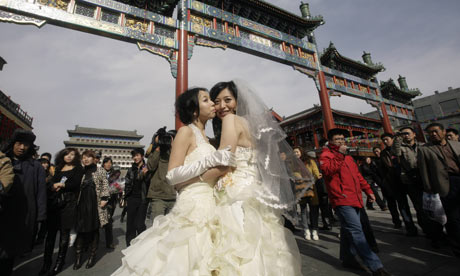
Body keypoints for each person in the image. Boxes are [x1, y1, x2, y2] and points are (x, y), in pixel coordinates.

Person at [112, 87, 236, 275]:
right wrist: (209, 162)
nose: (213, 103)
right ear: (194, 109)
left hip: (211, 201)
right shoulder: (186, 132)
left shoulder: (207, 139)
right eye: (206, 100)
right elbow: (172, 175)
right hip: (193, 204)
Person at [209, 80, 308, 275]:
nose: (222, 107)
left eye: (227, 100)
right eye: (217, 101)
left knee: (235, 247)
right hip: (256, 191)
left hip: (234, 192)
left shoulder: (230, 120)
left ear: (238, 101)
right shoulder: (252, 126)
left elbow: (224, 158)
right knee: (262, 246)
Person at [320, 128, 389, 276]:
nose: (340, 142)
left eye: (342, 139)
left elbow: (358, 176)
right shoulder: (326, 155)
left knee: (347, 230)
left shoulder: (349, 158)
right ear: (331, 141)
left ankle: (348, 258)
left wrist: (368, 191)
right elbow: (327, 171)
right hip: (341, 199)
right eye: (337, 139)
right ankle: (376, 266)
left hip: (356, 198)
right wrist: (339, 155)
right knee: (357, 231)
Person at [0, 130, 47, 276]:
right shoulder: (3, 161)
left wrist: (40, 216)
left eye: (26, 145)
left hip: (22, 214)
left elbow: (41, 192)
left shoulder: (35, 166)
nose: (22, 148)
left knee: (10, 253)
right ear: (12, 143)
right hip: (2, 211)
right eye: (19, 144)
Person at [392, 127, 444, 245]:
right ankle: (431, 234)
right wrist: (397, 138)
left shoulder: (423, 145)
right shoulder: (401, 147)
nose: (406, 135)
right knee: (421, 208)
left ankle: (439, 232)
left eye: (408, 133)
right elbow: (395, 152)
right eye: (404, 134)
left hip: (426, 179)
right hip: (412, 180)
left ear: (414, 134)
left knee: (435, 207)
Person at [418, 123, 460, 257]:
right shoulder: (425, 149)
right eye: (430, 133)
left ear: (443, 131)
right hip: (445, 184)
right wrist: (429, 189)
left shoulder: (456, 144)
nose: (433, 134)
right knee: (453, 218)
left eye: (435, 131)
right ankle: (457, 246)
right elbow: (424, 171)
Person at [39, 148, 84, 276]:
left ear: (75, 157)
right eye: (66, 154)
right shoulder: (58, 168)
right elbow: (51, 183)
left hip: (68, 204)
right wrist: (53, 185)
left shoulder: (78, 168)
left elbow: (76, 184)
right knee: (50, 235)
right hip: (54, 204)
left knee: (64, 235)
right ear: (62, 155)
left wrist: (62, 185)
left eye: (72, 155)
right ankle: (46, 263)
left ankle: (59, 263)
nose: (69, 157)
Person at [73, 150, 109, 270]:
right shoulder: (81, 171)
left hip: (95, 204)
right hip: (81, 204)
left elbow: (105, 185)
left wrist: (104, 198)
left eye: (89, 157)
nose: (86, 159)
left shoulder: (100, 170)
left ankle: (92, 256)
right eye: (84, 157)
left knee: (94, 230)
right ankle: (78, 257)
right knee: (80, 230)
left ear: (94, 159)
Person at [379, 133, 418, 236]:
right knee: (403, 207)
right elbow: (384, 169)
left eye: (386, 139)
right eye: (383, 140)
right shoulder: (383, 154)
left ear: (392, 139)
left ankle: (426, 227)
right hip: (395, 182)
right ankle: (410, 228)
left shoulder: (403, 149)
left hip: (408, 180)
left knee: (417, 205)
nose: (385, 142)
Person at [146, 127, 176, 222]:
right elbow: (150, 166)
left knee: (172, 230)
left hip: (173, 195)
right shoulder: (156, 152)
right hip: (158, 196)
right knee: (157, 229)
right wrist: (158, 147)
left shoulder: (175, 152)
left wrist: (173, 146)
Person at [123, 148, 151, 246]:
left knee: (140, 224)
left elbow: (149, 183)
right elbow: (127, 184)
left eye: (137, 155)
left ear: (142, 156)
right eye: (134, 156)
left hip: (143, 199)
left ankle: (141, 245)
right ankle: (129, 245)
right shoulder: (131, 170)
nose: (135, 157)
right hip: (132, 199)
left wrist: (146, 174)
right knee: (130, 224)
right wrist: (126, 197)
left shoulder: (147, 168)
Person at [294, 147, 320, 241]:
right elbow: (291, 174)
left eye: (297, 151)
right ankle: (306, 230)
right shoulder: (293, 163)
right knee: (303, 210)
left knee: (313, 209)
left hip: (311, 188)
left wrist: (312, 180)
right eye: (294, 152)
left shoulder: (310, 161)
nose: (296, 153)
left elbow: (316, 173)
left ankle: (315, 230)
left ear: (301, 152)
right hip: (300, 189)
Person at [102, 157, 120, 250]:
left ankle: (109, 242)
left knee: (108, 221)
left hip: (110, 201)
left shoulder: (115, 173)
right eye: (106, 162)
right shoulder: (99, 173)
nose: (108, 164)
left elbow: (118, 186)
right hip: (99, 200)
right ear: (103, 164)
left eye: (110, 163)